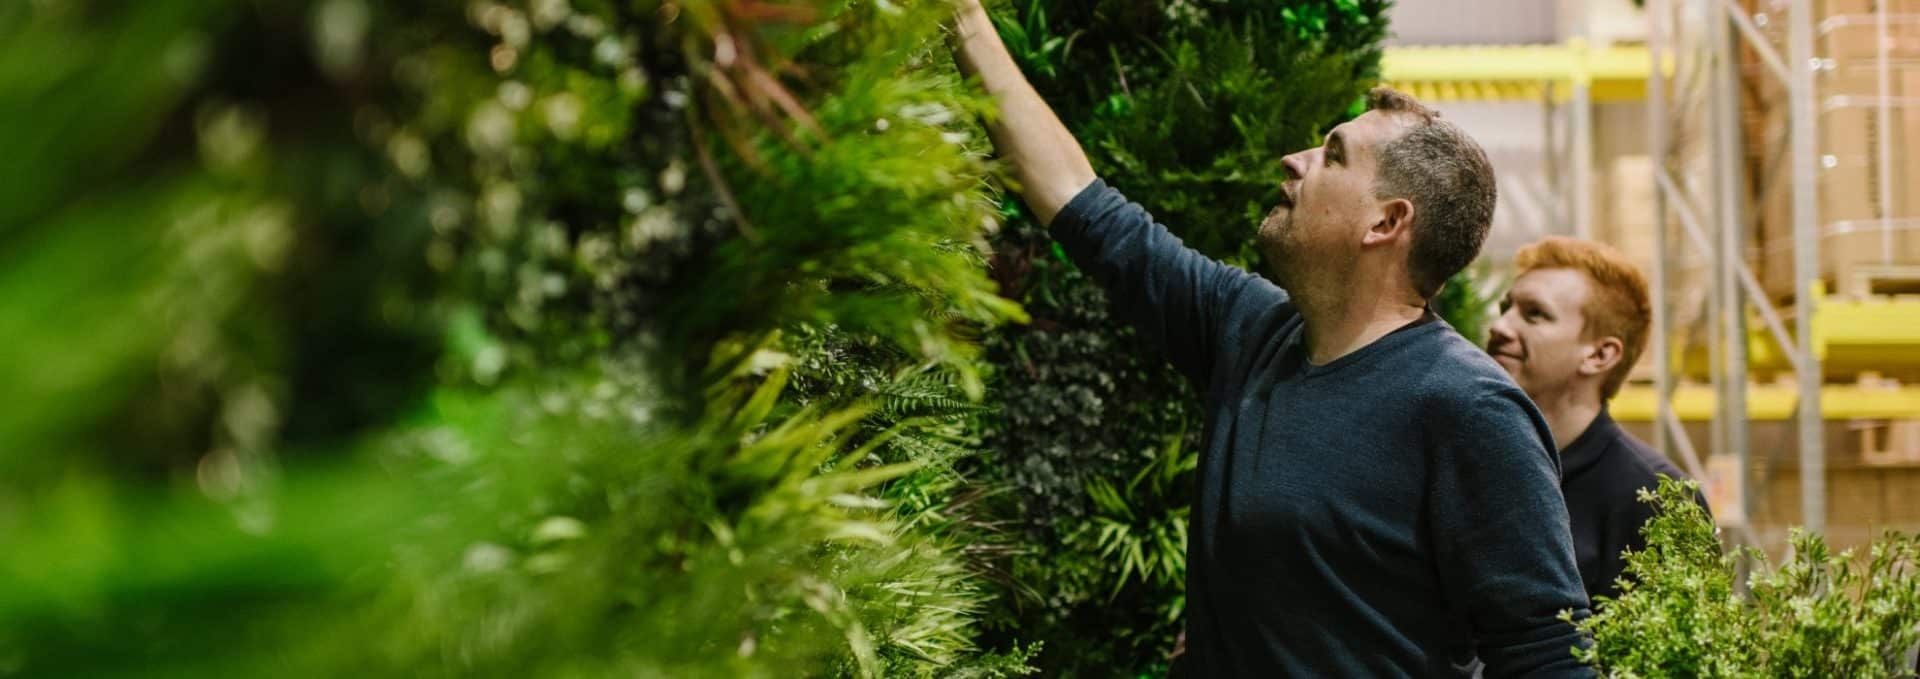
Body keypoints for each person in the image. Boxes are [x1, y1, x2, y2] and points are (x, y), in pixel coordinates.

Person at [950, 3, 1593, 676]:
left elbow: (1547, 657)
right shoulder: (1250, 329)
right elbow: (1081, 205)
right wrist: (963, 17)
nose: (1295, 160)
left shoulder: (1468, 408)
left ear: (1386, 221)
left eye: (1333, 155)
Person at [1487, 237, 1707, 603]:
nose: (1500, 327)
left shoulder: (1656, 503)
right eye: (1505, 308)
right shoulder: (1472, 461)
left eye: (1534, 314)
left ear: (1600, 355)